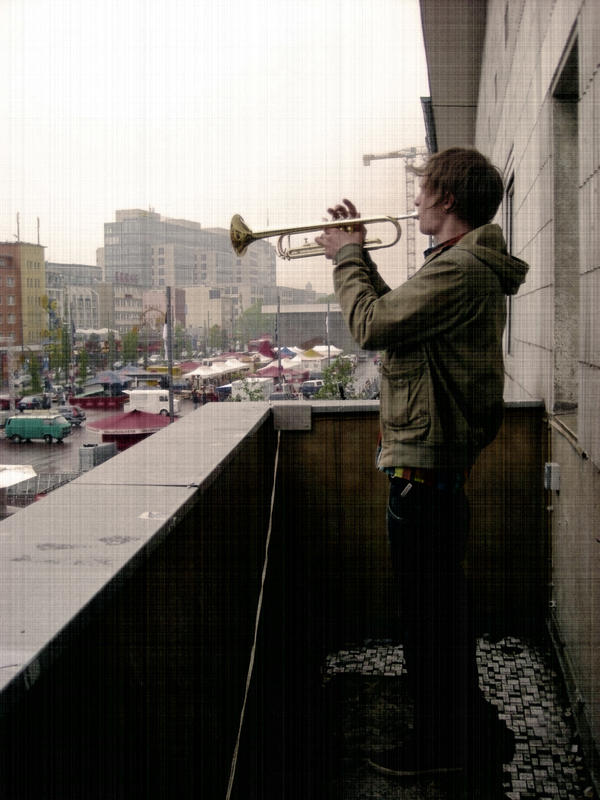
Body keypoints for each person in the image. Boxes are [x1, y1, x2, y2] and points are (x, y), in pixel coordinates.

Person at [316, 147, 529, 792]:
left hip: (425, 475)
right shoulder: (457, 267)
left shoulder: (461, 270)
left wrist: (347, 258)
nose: (414, 201)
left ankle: (445, 742)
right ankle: (473, 725)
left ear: (448, 201)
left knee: (429, 620)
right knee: (442, 611)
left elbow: (369, 325)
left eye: (423, 191)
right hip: (431, 469)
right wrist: (363, 257)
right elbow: (403, 323)